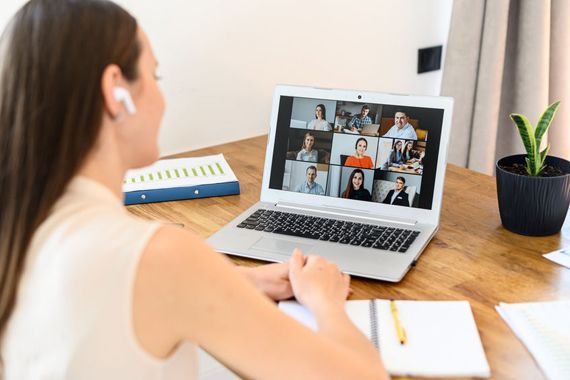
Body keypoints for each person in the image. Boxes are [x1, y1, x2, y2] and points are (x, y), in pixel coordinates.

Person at [0, 1, 388, 379]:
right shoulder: (162, 256)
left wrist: (236, 280)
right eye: (156, 77)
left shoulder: (20, 228)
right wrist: (324, 301)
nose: (161, 96)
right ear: (114, 91)